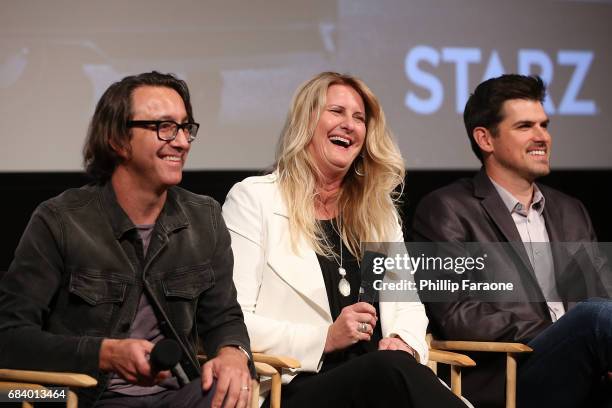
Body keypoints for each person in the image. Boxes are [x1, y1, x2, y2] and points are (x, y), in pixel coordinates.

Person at [0, 72, 253, 408]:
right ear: (118, 139)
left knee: (230, 395)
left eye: (185, 127)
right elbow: (9, 337)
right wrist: (104, 354)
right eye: (164, 127)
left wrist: (233, 353)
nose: (180, 141)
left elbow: (223, 318)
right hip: (84, 396)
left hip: (179, 395)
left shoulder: (204, 217)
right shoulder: (60, 220)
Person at [222, 71, 467, 407]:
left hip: (381, 382)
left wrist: (403, 340)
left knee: (393, 367)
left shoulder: (378, 213)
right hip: (296, 385)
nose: (349, 125)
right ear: (306, 121)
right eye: (336, 112)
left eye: (359, 118)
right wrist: (325, 338)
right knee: (391, 371)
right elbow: (232, 320)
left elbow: (407, 303)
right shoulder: (254, 199)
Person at [411, 74, 612, 408]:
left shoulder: (570, 210)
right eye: (525, 127)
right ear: (485, 139)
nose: (542, 137)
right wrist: (562, 330)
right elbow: (458, 312)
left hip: (587, 368)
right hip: (512, 374)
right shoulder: (446, 209)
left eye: (544, 125)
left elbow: (601, 294)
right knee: (593, 320)